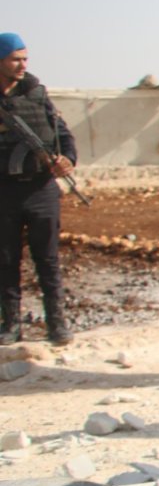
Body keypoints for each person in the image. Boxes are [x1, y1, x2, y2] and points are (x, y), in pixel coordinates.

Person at [0, 33, 78, 346]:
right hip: (4, 191)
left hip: (41, 188)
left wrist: (67, 160)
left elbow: (64, 136)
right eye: (15, 59)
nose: (22, 65)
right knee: (5, 260)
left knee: (47, 259)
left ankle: (57, 324)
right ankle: (11, 324)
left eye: (25, 59)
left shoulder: (36, 94)